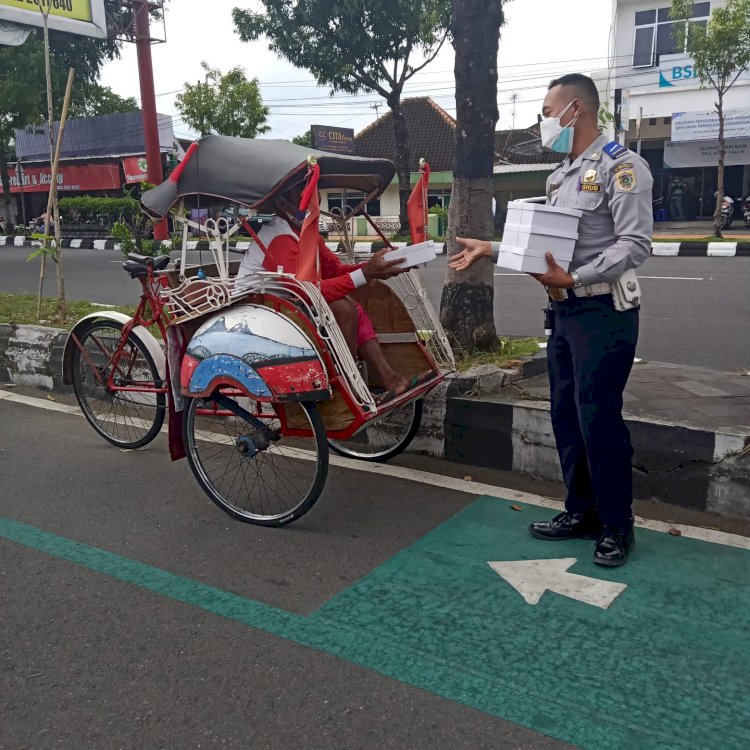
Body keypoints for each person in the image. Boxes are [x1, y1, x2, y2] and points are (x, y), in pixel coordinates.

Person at [450, 73, 653, 566]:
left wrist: (575, 279)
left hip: (603, 310)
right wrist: (491, 248)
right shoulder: (560, 176)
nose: (544, 122)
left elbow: (635, 245)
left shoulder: (622, 168)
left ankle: (616, 526)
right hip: (563, 312)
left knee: (598, 417)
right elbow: (546, 242)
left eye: (547, 111)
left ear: (575, 110)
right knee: (566, 415)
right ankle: (581, 511)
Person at [237, 204, 434, 405]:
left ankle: (390, 380)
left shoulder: (304, 230)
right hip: (265, 310)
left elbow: (334, 270)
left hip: (291, 303)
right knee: (343, 308)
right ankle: (346, 388)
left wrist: (378, 267)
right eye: (300, 194)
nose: (308, 202)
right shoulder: (280, 236)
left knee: (353, 307)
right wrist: (367, 273)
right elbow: (306, 289)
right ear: (283, 199)